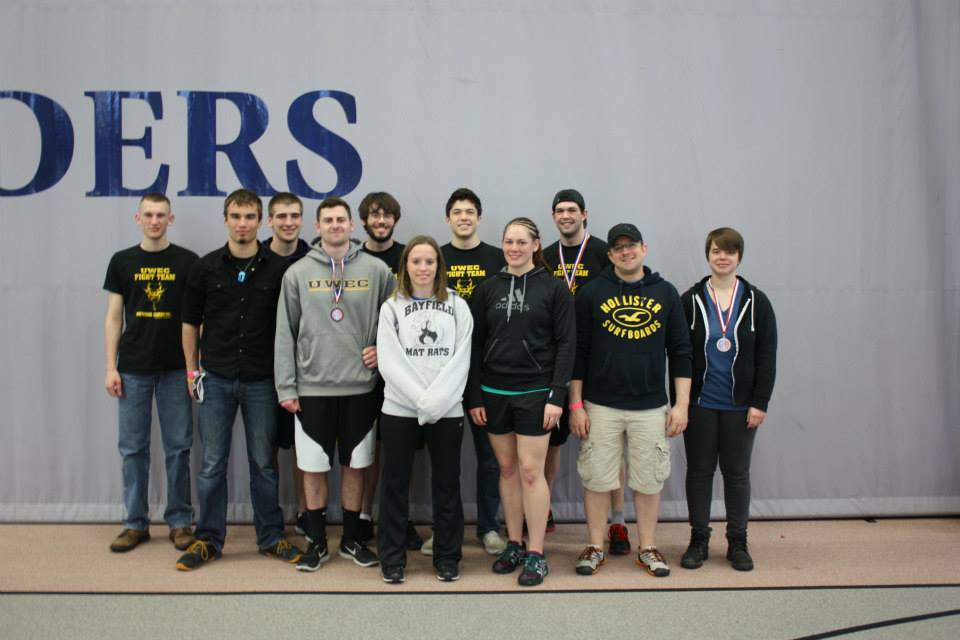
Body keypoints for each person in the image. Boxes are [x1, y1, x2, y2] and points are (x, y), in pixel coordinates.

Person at [177, 189, 303, 570]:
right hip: (214, 379)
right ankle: (209, 540)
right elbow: (188, 323)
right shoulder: (205, 267)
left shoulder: (278, 270)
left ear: (261, 221)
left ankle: (270, 537)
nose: (243, 223)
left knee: (263, 464)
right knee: (213, 463)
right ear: (226, 219)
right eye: (236, 216)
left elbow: (291, 327)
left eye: (250, 217)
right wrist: (191, 369)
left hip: (262, 382)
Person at [274, 197, 395, 571]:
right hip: (311, 389)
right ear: (317, 226)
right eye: (328, 220)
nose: (336, 225)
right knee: (313, 468)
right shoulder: (296, 273)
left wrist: (383, 351)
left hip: (361, 388)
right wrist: (286, 387)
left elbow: (396, 323)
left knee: (356, 467)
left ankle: (352, 540)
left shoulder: (377, 271)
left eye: (341, 219)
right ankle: (316, 541)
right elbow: (284, 333)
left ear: (352, 226)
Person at [568, 223, 692, 578]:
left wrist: (681, 404)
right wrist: (576, 404)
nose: (626, 252)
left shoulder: (666, 293)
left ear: (644, 248)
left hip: (651, 406)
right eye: (618, 247)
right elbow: (579, 353)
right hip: (601, 405)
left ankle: (648, 547)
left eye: (631, 245)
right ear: (609, 255)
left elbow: (681, 352)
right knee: (596, 478)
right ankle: (594, 545)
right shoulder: (591, 294)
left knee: (649, 480)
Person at [467, 217, 575, 587]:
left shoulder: (555, 289)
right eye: (508, 241)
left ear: (535, 245)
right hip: (494, 394)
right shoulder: (486, 289)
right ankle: (513, 542)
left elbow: (566, 346)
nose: (514, 248)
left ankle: (536, 552)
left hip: (535, 394)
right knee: (508, 470)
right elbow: (475, 344)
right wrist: (475, 394)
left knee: (531, 472)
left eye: (521, 242)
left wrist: (556, 396)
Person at [103, 192, 197, 553]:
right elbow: (114, 317)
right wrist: (110, 366)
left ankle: (179, 522)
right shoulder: (122, 261)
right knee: (132, 449)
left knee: (178, 449)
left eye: (161, 215)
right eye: (149, 214)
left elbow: (195, 320)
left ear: (171, 220)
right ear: (137, 218)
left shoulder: (188, 262)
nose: (155, 220)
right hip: (132, 370)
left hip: (175, 369)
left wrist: (193, 368)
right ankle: (134, 523)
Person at [376, 236, 473, 583]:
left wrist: (435, 403)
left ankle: (447, 556)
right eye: (415, 261)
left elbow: (461, 360)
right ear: (405, 267)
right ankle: (392, 558)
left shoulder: (458, 306)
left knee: (447, 483)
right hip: (400, 409)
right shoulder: (391, 307)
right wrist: (421, 401)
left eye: (429, 261)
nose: (422, 268)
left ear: (438, 266)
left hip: (447, 410)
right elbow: (390, 361)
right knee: (394, 483)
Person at [679, 227, 777, 572]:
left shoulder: (756, 301)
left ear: (739, 257)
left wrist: (760, 402)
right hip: (700, 404)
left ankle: (738, 540)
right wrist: (681, 402)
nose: (723, 257)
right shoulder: (689, 300)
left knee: (737, 474)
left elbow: (768, 355)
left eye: (729, 252)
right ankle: (698, 539)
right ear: (708, 255)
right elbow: (678, 356)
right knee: (700, 472)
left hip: (740, 406)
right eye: (717, 251)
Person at [541, 188, 629, 555]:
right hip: (555, 359)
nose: (566, 215)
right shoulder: (544, 257)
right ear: (553, 216)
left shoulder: (604, 252)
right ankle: (542, 506)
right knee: (549, 441)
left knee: (607, 445)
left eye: (572, 210)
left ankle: (618, 520)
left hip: (598, 360)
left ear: (584, 214)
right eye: (559, 210)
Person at [440, 187, 507, 557]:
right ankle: (444, 528)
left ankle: (489, 527)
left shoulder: (498, 258)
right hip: (443, 368)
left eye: (470, 212)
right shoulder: (434, 257)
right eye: (457, 212)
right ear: (447, 218)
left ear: (479, 217)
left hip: (487, 370)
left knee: (489, 458)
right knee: (445, 459)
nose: (464, 217)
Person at [355, 191, 420, 550]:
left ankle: (400, 517)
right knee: (366, 444)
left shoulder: (409, 257)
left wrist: (390, 350)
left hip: (404, 365)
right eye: (374, 216)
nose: (381, 222)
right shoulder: (351, 257)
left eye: (387, 216)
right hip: (362, 364)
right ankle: (363, 516)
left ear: (395, 220)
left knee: (398, 447)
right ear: (363, 220)